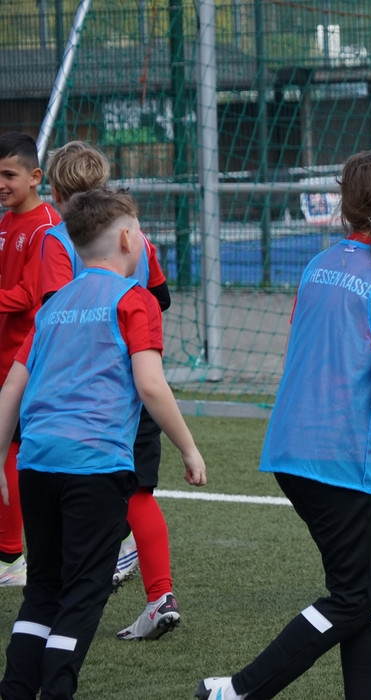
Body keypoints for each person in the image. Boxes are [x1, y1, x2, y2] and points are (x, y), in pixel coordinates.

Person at [196, 151, 371, 700]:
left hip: (290, 446)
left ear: (344, 210)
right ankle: (238, 691)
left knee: (368, 591)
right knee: (355, 598)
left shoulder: (319, 264)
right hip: (338, 456)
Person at [0, 187, 207, 699]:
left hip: (36, 463)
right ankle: (56, 690)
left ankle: (16, 689)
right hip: (94, 466)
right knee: (84, 590)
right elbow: (151, 384)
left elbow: (12, 388)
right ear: (127, 239)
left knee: (42, 589)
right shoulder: (134, 300)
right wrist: (188, 448)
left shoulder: (54, 306)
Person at [41, 140, 180, 641]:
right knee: (137, 492)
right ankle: (159, 596)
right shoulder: (138, 238)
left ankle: (60, 596)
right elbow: (160, 297)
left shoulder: (56, 240)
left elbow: (54, 312)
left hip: (79, 395)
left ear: (56, 195)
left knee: (62, 491)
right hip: (136, 383)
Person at [0, 131, 61, 588]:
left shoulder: (45, 226)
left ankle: (10, 557)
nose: (1, 185)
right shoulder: (7, 221)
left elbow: (32, 295)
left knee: (17, 455)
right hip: (6, 355)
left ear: (36, 176)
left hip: (28, 361)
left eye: (9, 175)